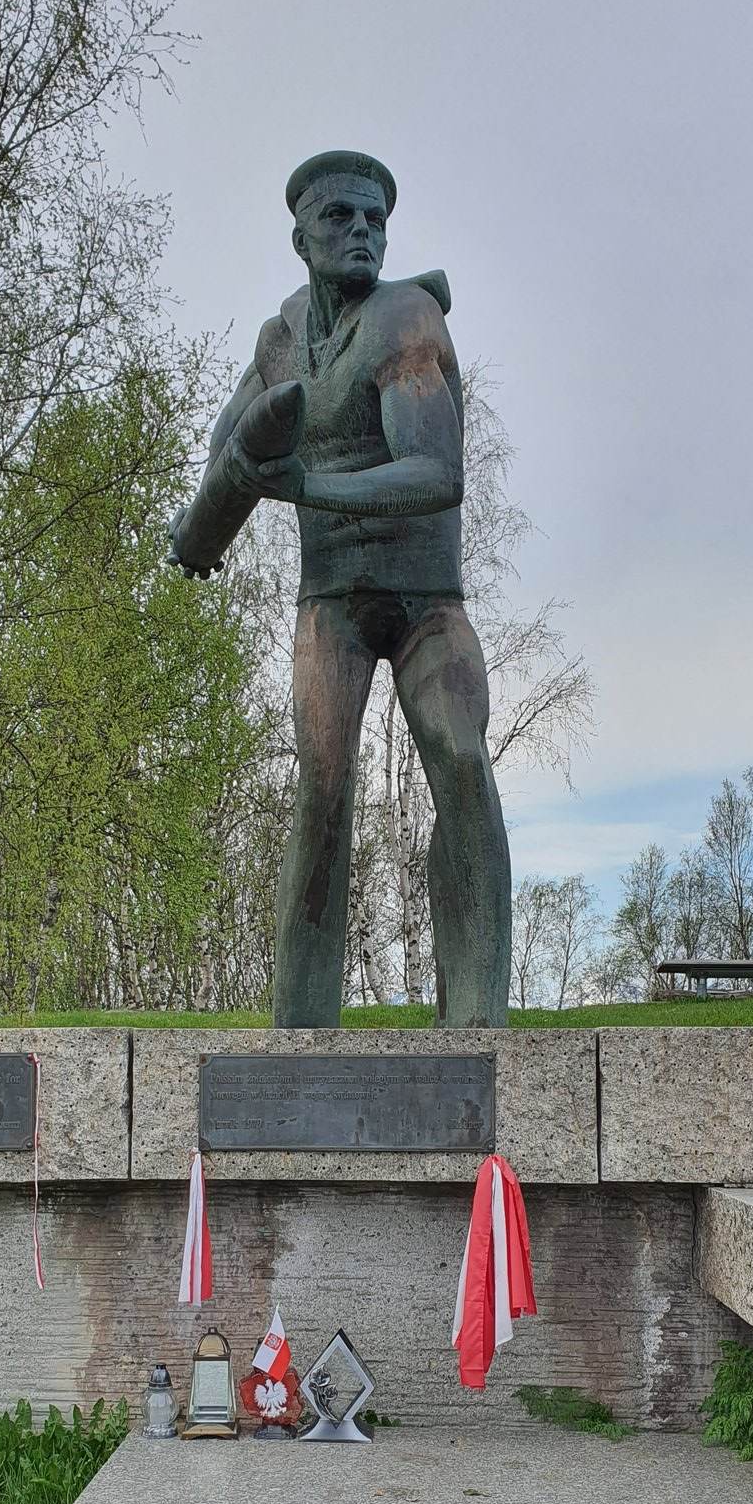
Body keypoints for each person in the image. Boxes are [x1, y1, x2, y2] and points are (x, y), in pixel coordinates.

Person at [171, 150, 512, 1027]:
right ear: (301, 238)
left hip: (425, 599)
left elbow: (436, 472)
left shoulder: (408, 318)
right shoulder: (281, 339)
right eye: (341, 219)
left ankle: (476, 1026)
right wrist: (210, 518)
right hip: (332, 605)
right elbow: (226, 457)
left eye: (375, 220)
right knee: (321, 788)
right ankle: (301, 1040)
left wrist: (301, 487)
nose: (362, 233)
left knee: (462, 759)